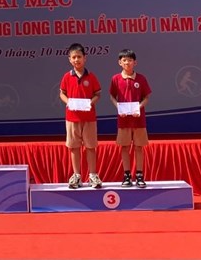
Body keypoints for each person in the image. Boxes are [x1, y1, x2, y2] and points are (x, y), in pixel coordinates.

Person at [59, 43, 102, 189]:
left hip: (89, 118)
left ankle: (93, 175)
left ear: (85, 58)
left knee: (90, 147)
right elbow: (62, 94)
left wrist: (90, 102)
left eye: (79, 57)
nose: (76, 59)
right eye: (74, 57)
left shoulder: (91, 76)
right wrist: (68, 102)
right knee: (74, 147)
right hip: (72, 118)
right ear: (69, 59)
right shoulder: (66, 76)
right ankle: (77, 175)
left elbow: (97, 94)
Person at [109, 48, 152, 188]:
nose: (127, 63)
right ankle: (126, 175)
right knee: (125, 147)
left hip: (139, 120)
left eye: (130, 60)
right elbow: (112, 96)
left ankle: (139, 175)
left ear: (135, 62)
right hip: (123, 120)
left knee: (139, 147)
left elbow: (146, 97)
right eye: (124, 60)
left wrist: (139, 107)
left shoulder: (141, 78)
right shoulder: (116, 79)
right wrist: (118, 107)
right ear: (119, 62)